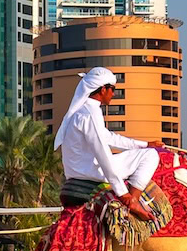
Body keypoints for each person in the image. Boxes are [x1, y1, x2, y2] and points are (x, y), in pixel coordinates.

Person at [53, 66, 165, 222]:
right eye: (112, 89)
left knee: (147, 151)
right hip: (90, 173)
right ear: (103, 89)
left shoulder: (83, 111)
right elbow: (103, 154)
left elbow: (110, 138)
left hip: (79, 171)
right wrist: (123, 194)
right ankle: (133, 201)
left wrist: (145, 144)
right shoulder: (90, 114)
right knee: (151, 156)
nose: (113, 93)